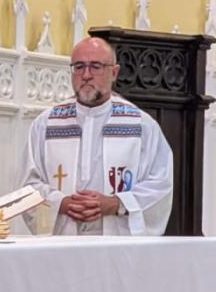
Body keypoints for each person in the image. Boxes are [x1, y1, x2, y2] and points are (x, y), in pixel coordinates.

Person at [20, 37, 173, 236]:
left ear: (114, 72)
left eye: (96, 67)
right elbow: (28, 186)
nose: (86, 75)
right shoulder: (46, 124)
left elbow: (160, 186)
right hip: (62, 243)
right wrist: (61, 203)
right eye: (79, 66)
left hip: (116, 247)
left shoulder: (141, 125)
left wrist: (116, 203)